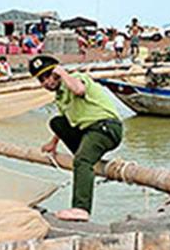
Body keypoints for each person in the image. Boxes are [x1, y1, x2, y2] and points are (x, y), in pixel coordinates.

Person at [30, 55, 122, 221]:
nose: (46, 82)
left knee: (81, 161)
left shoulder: (76, 79)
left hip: (105, 128)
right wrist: (53, 143)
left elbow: (79, 90)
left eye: (48, 76)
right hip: (88, 132)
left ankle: (81, 209)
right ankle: (87, 157)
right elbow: (67, 120)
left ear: (56, 72)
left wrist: (63, 74)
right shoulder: (59, 97)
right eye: (41, 80)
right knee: (57, 122)